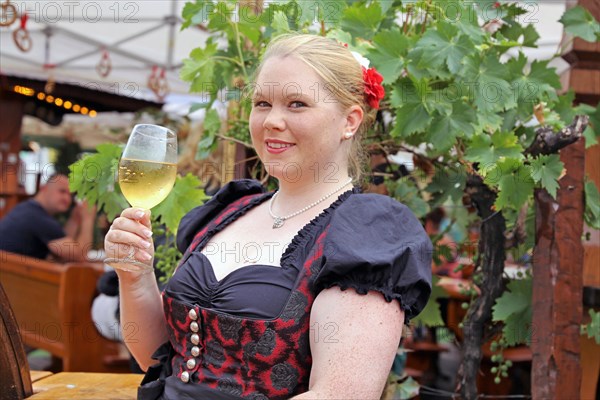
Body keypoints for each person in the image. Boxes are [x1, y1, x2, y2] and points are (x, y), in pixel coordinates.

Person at [105, 34, 432, 400]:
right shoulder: (228, 211)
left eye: (296, 104)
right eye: (262, 103)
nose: (272, 120)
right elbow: (158, 355)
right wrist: (134, 277)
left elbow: (341, 394)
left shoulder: (368, 236)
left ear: (350, 121)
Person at [0, 173, 95, 261]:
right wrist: (88, 218)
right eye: (62, 191)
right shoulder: (39, 219)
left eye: (70, 195)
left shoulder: (26, 209)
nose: (67, 198)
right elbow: (80, 256)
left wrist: (75, 220)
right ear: (43, 188)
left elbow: (62, 251)